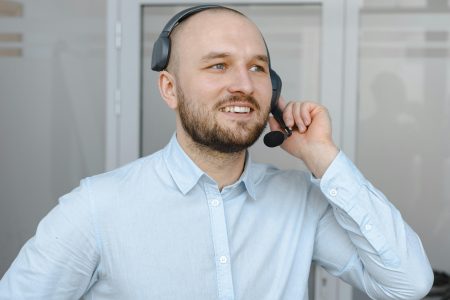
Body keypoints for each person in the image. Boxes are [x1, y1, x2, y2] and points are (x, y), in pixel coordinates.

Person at [0, 5, 433, 300]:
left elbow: (408, 284)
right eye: (218, 65)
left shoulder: (301, 200)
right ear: (169, 88)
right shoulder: (95, 208)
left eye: (258, 67)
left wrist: (323, 156)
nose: (243, 83)